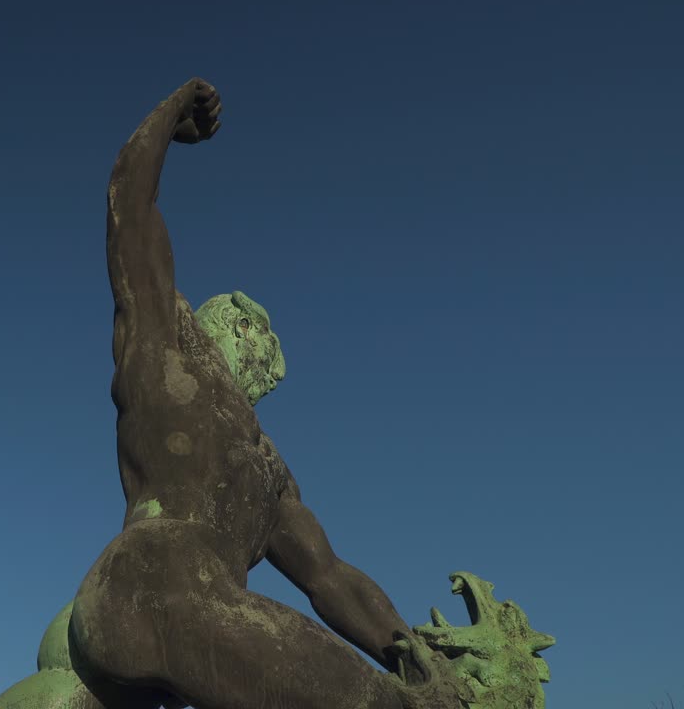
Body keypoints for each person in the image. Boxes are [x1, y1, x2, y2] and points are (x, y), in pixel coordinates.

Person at [60, 78, 466, 709]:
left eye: (265, 336)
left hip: (206, 610)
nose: (259, 340)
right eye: (247, 324)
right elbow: (130, 211)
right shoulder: (164, 346)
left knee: (390, 692)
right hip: (147, 587)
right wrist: (169, 118)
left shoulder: (268, 472)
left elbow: (329, 578)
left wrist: (407, 650)